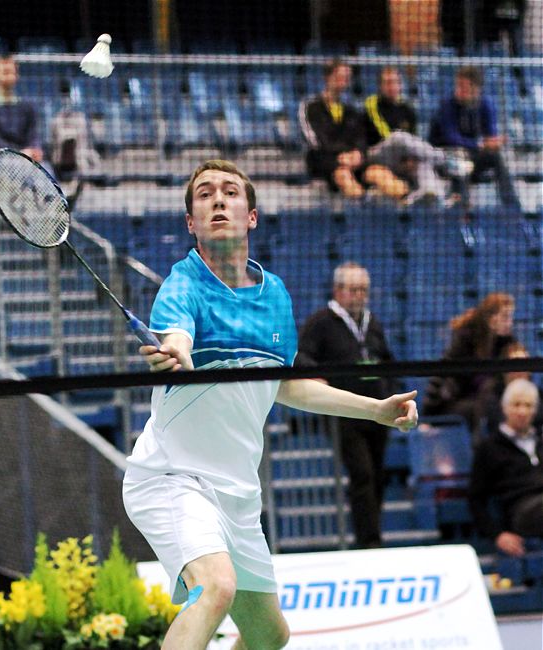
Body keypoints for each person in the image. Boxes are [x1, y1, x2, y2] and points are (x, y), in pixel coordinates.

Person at [122, 160, 418, 650]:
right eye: (205, 194)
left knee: (268, 635)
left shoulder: (275, 293)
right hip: (175, 477)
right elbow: (178, 340)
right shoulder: (182, 285)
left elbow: (289, 386)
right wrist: (175, 352)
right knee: (214, 587)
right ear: (191, 222)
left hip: (238, 494)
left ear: (252, 215)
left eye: (231, 192)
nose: (219, 199)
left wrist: (376, 408)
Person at [296, 262, 396, 549]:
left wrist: (391, 391)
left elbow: (386, 360)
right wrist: (319, 379)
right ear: (338, 291)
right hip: (344, 413)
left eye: (364, 290)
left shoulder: (372, 322)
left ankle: (372, 534)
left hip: (378, 410)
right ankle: (369, 542)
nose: (359, 296)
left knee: (377, 474)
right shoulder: (321, 322)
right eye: (353, 290)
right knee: (361, 473)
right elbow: (302, 356)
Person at [299, 59, 409, 200]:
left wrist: (358, 154)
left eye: (346, 78)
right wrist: (341, 156)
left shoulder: (352, 111)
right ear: (327, 77)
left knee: (379, 172)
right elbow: (315, 141)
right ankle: (360, 208)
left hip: (354, 161)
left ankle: (408, 201)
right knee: (343, 175)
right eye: (339, 77)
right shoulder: (310, 107)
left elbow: (361, 139)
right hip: (324, 163)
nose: (343, 81)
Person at [422, 292, 516, 440]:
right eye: (505, 317)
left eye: (511, 317)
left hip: (489, 402)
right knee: (479, 407)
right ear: (491, 318)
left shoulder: (507, 343)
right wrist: (428, 418)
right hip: (458, 402)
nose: (510, 323)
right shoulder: (466, 338)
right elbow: (442, 375)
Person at [468, 378, 543, 557]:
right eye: (516, 404)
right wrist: (497, 535)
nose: (522, 411)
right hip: (521, 511)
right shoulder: (489, 447)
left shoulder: (541, 441)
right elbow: (475, 499)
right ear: (504, 407)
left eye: (528, 405)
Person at [428, 65, 520, 208]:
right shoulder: (447, 106)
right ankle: (461, 210)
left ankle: (512, 207)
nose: (460, 90)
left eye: (464, 87)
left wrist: (493, 142)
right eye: (458, 85)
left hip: (471, 159)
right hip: (444, 159)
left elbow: (491, 136)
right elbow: (451, 138)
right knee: (460, 159)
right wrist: (480, 144)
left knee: (495, 157)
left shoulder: (485, 105)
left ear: (476, 89)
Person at [364, 66, 449, 204]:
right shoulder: (372, 104)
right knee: (398, 136)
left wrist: (411, 158)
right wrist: (406, 154)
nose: (392, 86)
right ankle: (443, 157)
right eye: (388, 83)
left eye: (396, 82)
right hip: (377, 155)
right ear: (380, 86)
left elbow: (413, 140)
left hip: (402, 157)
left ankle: (432, 195)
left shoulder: (407, 109)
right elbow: (386, 134)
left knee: (423, 161)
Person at [0, 55, 44, 163]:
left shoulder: (27, 106)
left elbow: (33, 135)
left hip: (26, 159)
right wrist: (19, 152)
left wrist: (34, 150)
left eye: (12, 72)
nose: (9, 76)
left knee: (47, 170)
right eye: (5, 72)